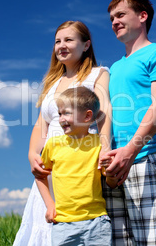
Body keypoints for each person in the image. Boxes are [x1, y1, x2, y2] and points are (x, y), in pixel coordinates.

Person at [13, 21, 111, 246]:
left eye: (69, 40)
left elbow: (105, 112)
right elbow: (41, 124)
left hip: (81, 160)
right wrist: (31, 154)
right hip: (54, 161)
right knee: (49, 222)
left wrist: (105, 148)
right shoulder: (51, 82)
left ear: (86, 45)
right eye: (58, 41)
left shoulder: (98, 74)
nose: (61, 46)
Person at [100, 0, 156, 245]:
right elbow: (106, 113)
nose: (114, 21)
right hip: (112, 164)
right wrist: (107, 153)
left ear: (142, 16)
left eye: (121, 15)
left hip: (144, 155)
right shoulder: (113, 68)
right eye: (112, 18)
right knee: (118, 241)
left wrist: (129, 152)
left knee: (155, 241)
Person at [36, 87, 117, 245]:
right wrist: (49, 205)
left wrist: (111, 171)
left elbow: (111, 183)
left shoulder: (99, 144)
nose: (61, 119)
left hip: (96, 222)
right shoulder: (53, 145)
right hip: (63, 224)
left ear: (87, 116)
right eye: (59, 114)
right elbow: (40, 175)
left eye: (66, 113)